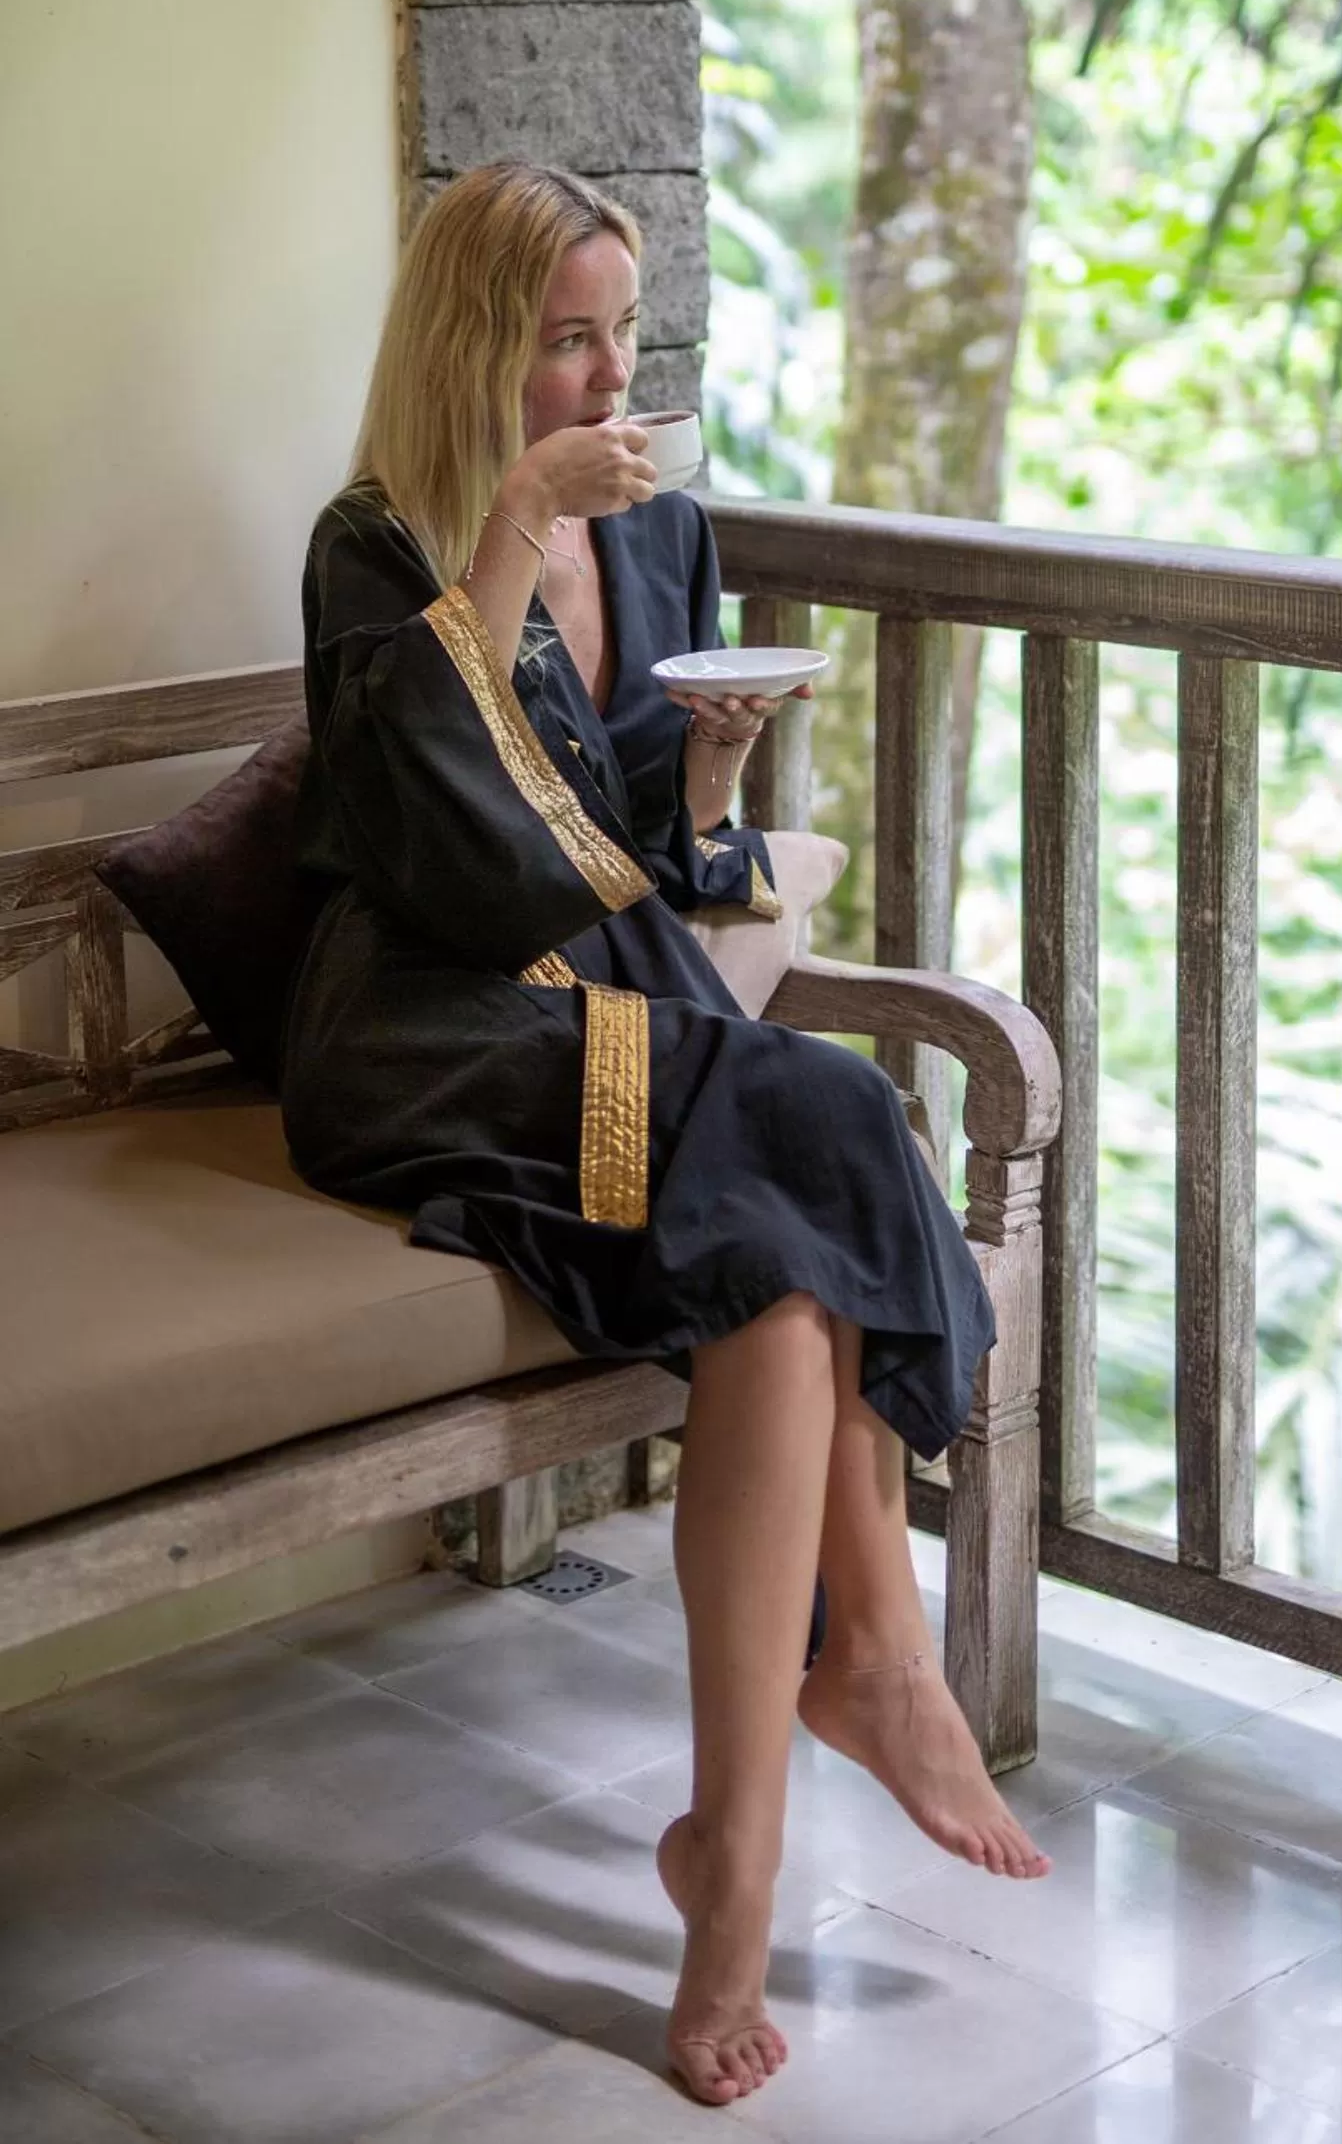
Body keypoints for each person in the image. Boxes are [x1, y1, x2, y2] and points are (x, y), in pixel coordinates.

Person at [280, 159, 1049, 2108]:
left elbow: (639, 841)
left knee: (782, 1285)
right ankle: (876, 1661)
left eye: (627, 331)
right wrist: (513, 514)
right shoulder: (375, 547)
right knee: (828, 1107)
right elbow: (434, 844)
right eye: (565, 338)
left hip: (608, 1003)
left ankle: (736, 1855)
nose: (609, 370)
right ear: (478, 345)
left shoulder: (663, 531)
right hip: (434, 1028)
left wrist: (707, 764)